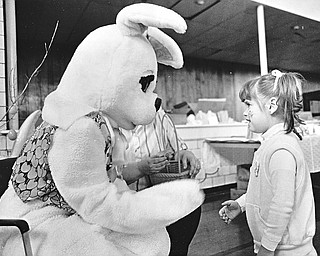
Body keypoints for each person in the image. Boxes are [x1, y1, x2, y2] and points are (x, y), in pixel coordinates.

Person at [219, 70, 317, 256]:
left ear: (271, 105)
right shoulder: (270, 144)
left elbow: (282, 205)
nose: (246, 114)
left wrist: (267, 248)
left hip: (288, 251)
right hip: (276, 247)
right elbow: (264, 190)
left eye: (249, 105)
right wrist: (241, 204)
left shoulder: (281, 150)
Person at [120, 108, 202, 256]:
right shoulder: (107, 121)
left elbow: (177, 148)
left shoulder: (159, 115)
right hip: (123, 204)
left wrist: (185, 155)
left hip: (157, 197)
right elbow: (106, 177)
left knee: (190, 207)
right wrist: (141, 168)